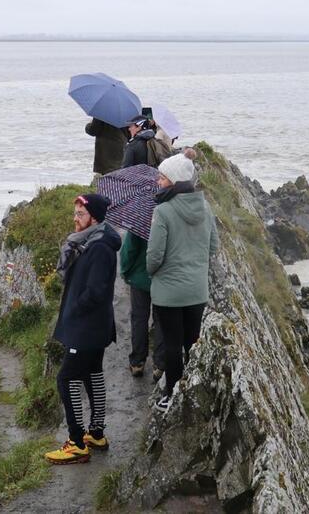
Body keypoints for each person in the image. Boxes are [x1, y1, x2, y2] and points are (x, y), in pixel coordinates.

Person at [44, 193, 121, 465]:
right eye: (75, 213)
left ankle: (76, 442)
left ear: (94, 218)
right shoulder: (90, 240)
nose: (75, 219)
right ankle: (96, 434)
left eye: (80, 214)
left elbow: (96, 292)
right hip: (94, 326)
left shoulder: (99, 247)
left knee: (66, 378)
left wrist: (75, 307)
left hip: (87, 327)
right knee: (92, 374)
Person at [146, 151, 218, 411]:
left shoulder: (163, 211)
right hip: (197, 291)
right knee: (192, 342)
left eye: (162, 178)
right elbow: (213, 247)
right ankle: (195, 391)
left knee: (173, 346)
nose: (158, 182)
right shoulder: (206, 207)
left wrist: (152, 272)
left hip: (169, 292)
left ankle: (172, 394)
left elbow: (154, 255)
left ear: (174, 181)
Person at [119, 231, 165, 380]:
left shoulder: (139, 217)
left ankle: (137, 362)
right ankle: (160, 364)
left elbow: (129, 250)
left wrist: (125, 271)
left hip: (140, 278)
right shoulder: (170, 214)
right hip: (163, 278)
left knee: (139, 318)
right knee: (161, 320)